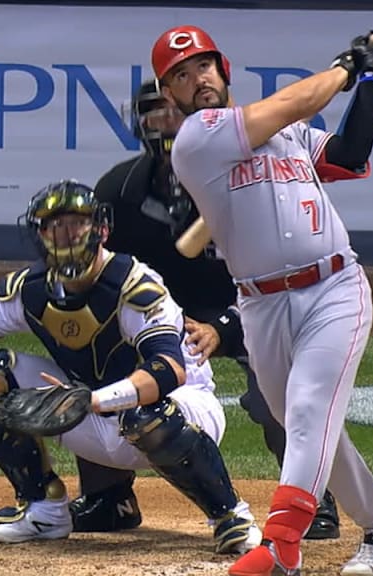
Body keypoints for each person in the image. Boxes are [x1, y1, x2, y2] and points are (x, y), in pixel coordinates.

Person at [151, 25, 373, 576]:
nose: (197, 80)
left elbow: (351, 155)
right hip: (261, 305)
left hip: (334, 287)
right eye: (181, 76)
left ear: (224, 70)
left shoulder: (292, 135)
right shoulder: (197, 138)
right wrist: (348, 65)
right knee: (306, 429)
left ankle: (282, 543)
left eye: (203, 67)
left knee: (312, 407)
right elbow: (292, 102)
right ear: (170, 94)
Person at [85, 78, 341, 539]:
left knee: (279, 397)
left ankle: (314, 502)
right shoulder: (119, 190)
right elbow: (102, 276)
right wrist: (151, 320)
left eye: (171, 111)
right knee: (93, 351)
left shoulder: (252, 176)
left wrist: (222, 326)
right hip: (159, 313)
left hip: (253, 305)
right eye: (152, 113)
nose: (163, 122)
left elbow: (283, 267)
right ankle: (108, 497)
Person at [0, 180, 262, 554]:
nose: (66, 236)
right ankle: (43, 509)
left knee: (144, 411)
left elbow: (168, 370)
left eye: (76, 224)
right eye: (55, 226)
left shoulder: (134, 285)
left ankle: (230, 515)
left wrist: (95, 400)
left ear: (101, 229)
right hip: (91, 416)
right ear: (40, 234)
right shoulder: (30, 289)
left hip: (181, 412)